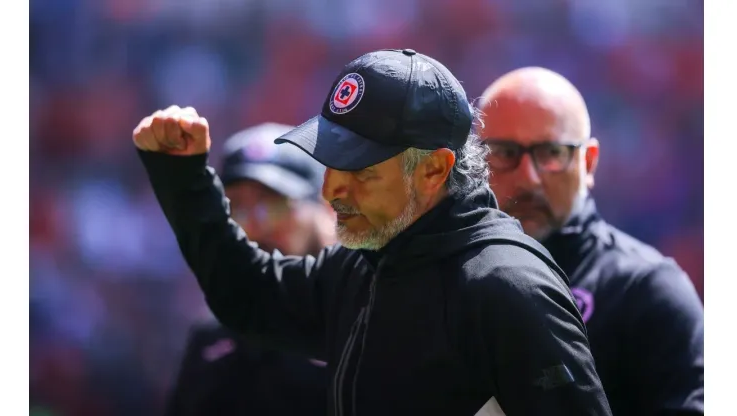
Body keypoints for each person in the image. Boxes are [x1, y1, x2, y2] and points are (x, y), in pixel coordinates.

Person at [134, 49, 612, 415]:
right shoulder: (365, 262)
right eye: (330, 161)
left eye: (361, 171)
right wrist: (185, 179)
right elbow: (248, 295)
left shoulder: (507, 287)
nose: (332, 188)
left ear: (433, 170)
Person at [478, 67, 704, 416]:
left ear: (589, 161)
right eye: (505, 153)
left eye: (552, 152)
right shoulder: (440, 280)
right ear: (474, 162)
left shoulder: (647, 290)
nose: (529, 177)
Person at [164, 123, 333, 416]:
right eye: (237, 208)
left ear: (328, 207)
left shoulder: (378, 323)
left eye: (275, 203)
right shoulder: (213, 343)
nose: (256, 225)